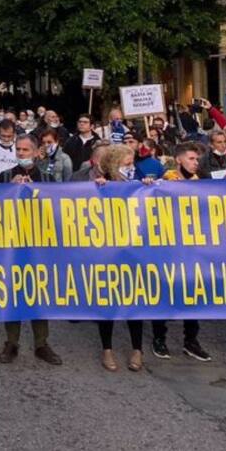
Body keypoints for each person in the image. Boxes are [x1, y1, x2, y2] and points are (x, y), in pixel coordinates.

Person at [0, 134, 62, 366]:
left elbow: (59, 208)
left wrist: (38, 193)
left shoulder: (48, 178)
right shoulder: (6, 176)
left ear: (36, 152)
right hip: (12, 244)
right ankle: (11, 342)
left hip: (39, 245)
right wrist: (8, 191)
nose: (21, 153)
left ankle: (41, 343)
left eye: (26, 150)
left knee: (39, 291)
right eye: (18, 150)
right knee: (13, 291)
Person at [152, 142, 212, 362]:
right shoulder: (163, 182)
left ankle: (191, 341)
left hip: (194, 248)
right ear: (178, 160)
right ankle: (159, 339)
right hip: (167, 247)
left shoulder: (203, 183)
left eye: (197, 160)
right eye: (191, 159)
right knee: (165, 292)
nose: (195, 163)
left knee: (192, 293)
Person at [93, 144, 146, 371]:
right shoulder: (101, 181)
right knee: (109, 300)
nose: (131, 162)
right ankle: (107, 349)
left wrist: (149, 186)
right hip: (109, 250)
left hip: (134, 249)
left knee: (135, 300)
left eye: (132, 158)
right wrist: (99, 189)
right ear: (115, 161)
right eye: (127, 159)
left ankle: (137, 349)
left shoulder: (140, 176)